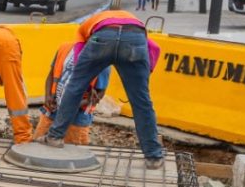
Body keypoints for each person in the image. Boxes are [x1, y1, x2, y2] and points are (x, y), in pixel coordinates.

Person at [38, 9, 164, 168]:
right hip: (135, 40)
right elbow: (153, 49)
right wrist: (140, 82)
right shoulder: (134, 23)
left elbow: (78, 66)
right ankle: (153, 156)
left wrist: (83, 79)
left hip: (103, 36)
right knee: (141, 101)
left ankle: (55, 137)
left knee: (75, 87)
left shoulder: (85, 28)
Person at [32, 41, 110, 145]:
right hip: (51, 111)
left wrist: (73, 105)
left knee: (70, 153)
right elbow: (51, 74)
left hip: (77, 117)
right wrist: (48, 96)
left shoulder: (102, 59)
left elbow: (100, 94)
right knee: (38, 147)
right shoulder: (65, 48)